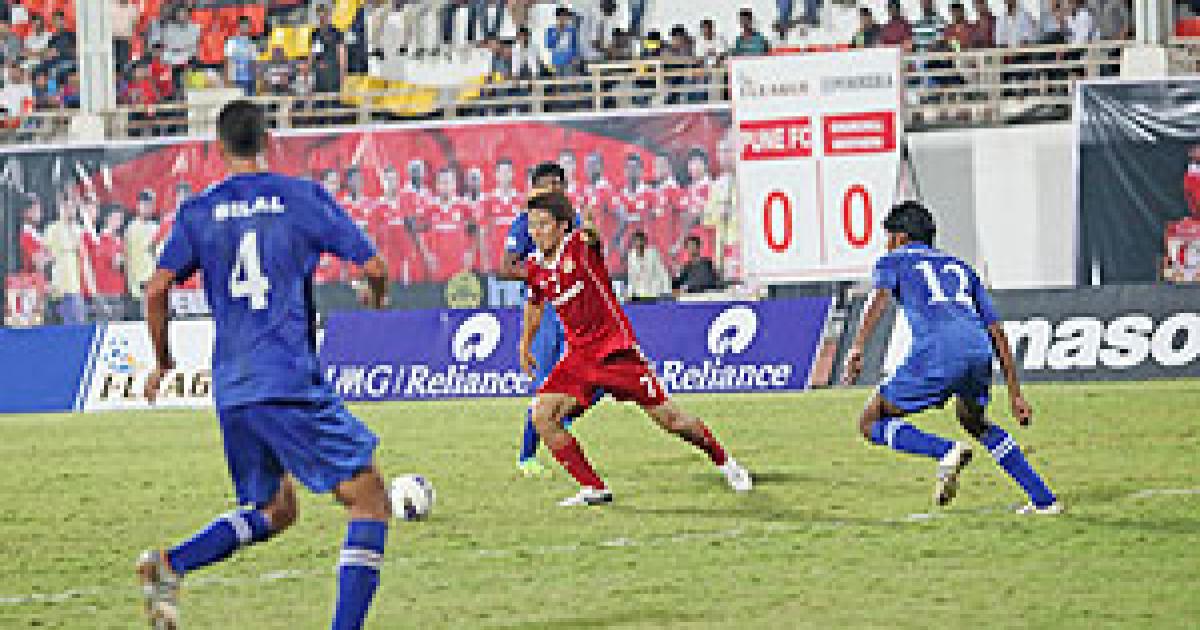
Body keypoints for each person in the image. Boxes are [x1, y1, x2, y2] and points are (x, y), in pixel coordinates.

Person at [135, 100, 394, 629]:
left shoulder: (198, 211)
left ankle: (170, 565)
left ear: (219, 148)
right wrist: (375, 296)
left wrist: (163, 362)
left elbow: (156, 289)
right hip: (287, 380)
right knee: (369, 500)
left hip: (234, 387)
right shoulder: (301, 197)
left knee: (275, 509)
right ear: (268, 141)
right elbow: (373, 265)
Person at [517, 191, 752, 506]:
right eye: (532, 225)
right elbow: (534, 304)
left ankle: (727, 463)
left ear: (562, 226)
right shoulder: (535, 266)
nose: (536, 232)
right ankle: (594, 488)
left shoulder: (578, 248)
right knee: (542, 415)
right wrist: (525, 343)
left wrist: (589, 226)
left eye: (543, 224)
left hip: (616, 353)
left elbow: (591, 237)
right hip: (580, 358)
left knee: (673, 421)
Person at [842, 201, 1061, 514]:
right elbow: (997, 331)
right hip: (978, 351)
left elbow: (878, 299)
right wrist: (1015, 394)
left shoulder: (894, 260)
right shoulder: (962, 268)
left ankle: (945, 451)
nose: (887, 244)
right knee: (974, 421)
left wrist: (857, 347)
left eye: (888, 237)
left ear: (900, 237)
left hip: (938, 351)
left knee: (870, 420)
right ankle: (1044, 499)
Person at [496, 162, 585, 477]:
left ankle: (559, 420)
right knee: (546, 383)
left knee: (594, 375)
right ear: (534, 190)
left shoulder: (573, 221)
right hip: (544, 309)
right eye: (547, 186)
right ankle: (527, 456)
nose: (554, 191)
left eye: (558, 186)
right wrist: (542, 276)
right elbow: (507, 267)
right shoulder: (524, 224)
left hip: (574, 306)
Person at [625, 230, 669, 301]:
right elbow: (631, 277)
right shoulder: (631, 256)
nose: (638, 244)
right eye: (636, 242)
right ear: (633, 243)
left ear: (645, 242)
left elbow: (662, 273)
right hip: (639, 292)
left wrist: (666, 292)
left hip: (655, 290)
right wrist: (630, 293)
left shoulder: (653, 253)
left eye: (640, 241)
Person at [224, 16, 258, 96]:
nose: (244, 28)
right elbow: (227, 61)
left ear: (249, 28)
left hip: (249, 80)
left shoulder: (252, 44)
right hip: (236, 79)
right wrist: (227, 79)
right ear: (239, 27)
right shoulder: (232, 42)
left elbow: (254, 63)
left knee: (249, 101)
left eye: (247, 26)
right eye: (243, 25)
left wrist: (256, 80)